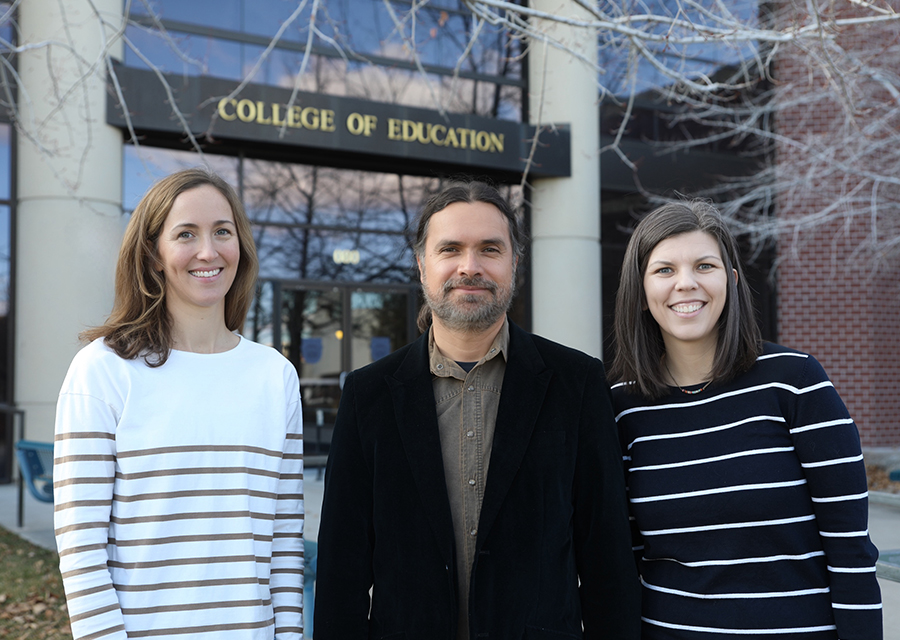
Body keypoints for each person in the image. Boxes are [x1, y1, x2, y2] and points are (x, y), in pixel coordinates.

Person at [314, 180, 641, 640]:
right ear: (422, 264)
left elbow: (607, 556)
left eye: (490, 249)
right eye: (450, 249)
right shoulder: (368, 395)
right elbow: (341, 569)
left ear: (514, 264)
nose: (470, 267)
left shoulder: (578, 383)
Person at [609, 200, 882, 639]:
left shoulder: (796, 383)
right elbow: (628, 558)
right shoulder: (621, 407)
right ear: (640, 293)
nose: (686, 283)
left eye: (704, 265)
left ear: (731, 281)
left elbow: (849, 550)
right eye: (664, 270)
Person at [53, 168, 305, 640]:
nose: (208, 252)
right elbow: (81, 549)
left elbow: (284, 544)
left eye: (222, 232)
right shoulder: (103, 371)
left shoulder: (276, 376)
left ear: (240, 246)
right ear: (153, 254)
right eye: (185, 234)